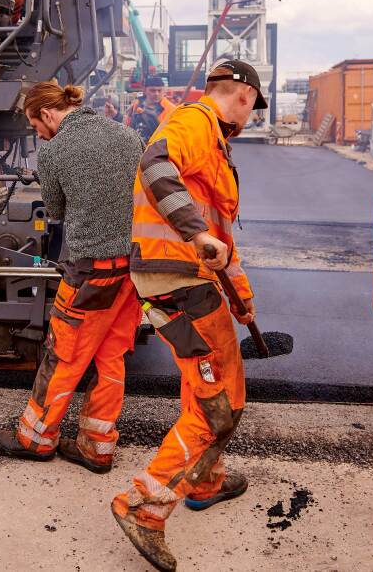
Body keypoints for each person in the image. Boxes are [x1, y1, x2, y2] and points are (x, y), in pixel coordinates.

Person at [111, 59, 267, 571]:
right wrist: (194, 233)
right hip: (180, 281)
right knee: (219, 403)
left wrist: (242, 301)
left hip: (180, 283)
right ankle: (144, 506)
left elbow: (221, 237)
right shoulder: (195, 123)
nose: (250, 119)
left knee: (201, 386)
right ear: (242, 97)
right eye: (253, 108)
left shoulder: (215, 149)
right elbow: (155, 166)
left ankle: (205, 479)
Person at [0, 81, 145, 474]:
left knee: (64, 353)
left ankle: (36, 439)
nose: (37, 134)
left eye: (34, 124)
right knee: (112, 356)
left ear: (46, 113)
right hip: (131, 268)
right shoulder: (128, 136)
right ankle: (97, 445)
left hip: (88, 271)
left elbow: (55, 212)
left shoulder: (56, 151)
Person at [126, 75, 168, 142]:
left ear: (163, 91)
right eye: (152, 90)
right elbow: (127, 126)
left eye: (159, 90)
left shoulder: (170, 109)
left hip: (158, 148)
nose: (156, 94)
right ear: (145, 90)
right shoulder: (136, 105)